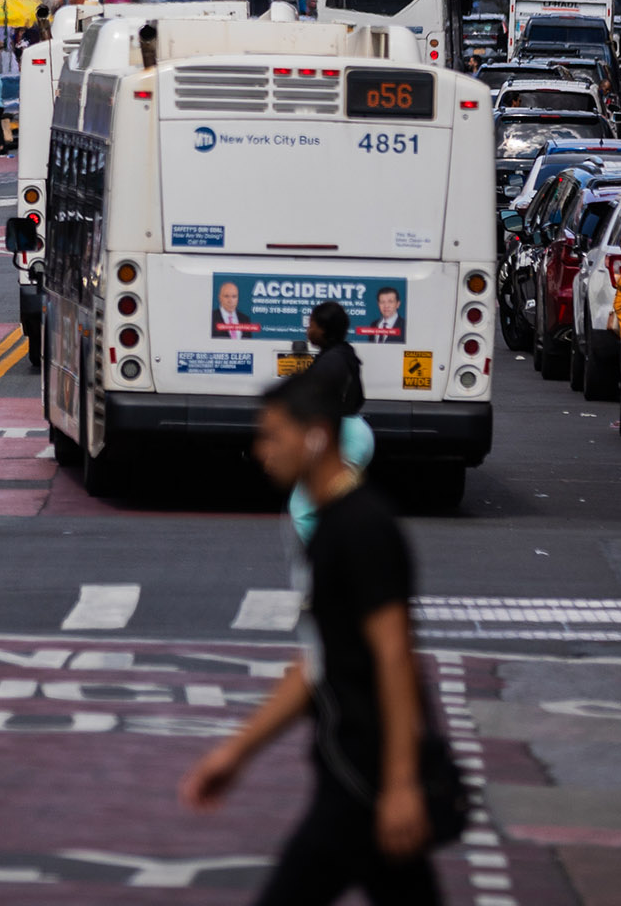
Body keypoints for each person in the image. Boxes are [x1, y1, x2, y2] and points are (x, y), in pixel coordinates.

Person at [182, 373, 438, 906]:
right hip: (349, 770)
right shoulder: (330, 526)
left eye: (273, 436)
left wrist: (400, 783)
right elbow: (317, 662)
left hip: (365, 774)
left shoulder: (362, 528)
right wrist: (236, 753)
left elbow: (396, 656)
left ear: (317, 435)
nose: (262, 451)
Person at [287, 304, 376, 541]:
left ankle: (333, 556)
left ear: (324, 329)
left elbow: (322, 403)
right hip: (355, 431)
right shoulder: (343, 354)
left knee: (303, 509)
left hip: (344, 436)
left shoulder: (331, 362)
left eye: (311, 325)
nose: (308, 330)